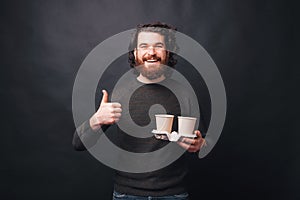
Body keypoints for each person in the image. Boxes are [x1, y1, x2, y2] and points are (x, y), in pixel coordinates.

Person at [73, 22, 207, 200]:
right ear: (135, 53)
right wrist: (96, 119)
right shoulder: (119, 93)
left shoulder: (184, 93)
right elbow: (78, 144)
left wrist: (200, 144)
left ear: (168, 53)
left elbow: (206, 143)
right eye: (144, 46)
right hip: (127, 194)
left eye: (159, 46)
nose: (151, 52)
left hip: (173, 194)